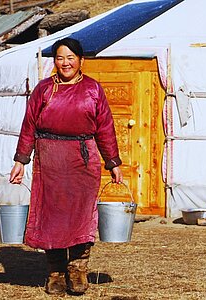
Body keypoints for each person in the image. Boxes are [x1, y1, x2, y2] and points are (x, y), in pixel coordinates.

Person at [9, 37, 123, 295]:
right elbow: (29, 126)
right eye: (60, 58)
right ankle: (55, 273)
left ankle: (78, 270)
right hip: (49, 160)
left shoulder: (93, 89)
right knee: (53, 217)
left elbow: (105, 127)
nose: (65, 63)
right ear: (55, 61)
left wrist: (113, 162)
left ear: (81, 60)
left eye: (71, 57)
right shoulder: (44, 89)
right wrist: (20, 160)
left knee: (81, 216)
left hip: (83, 160)